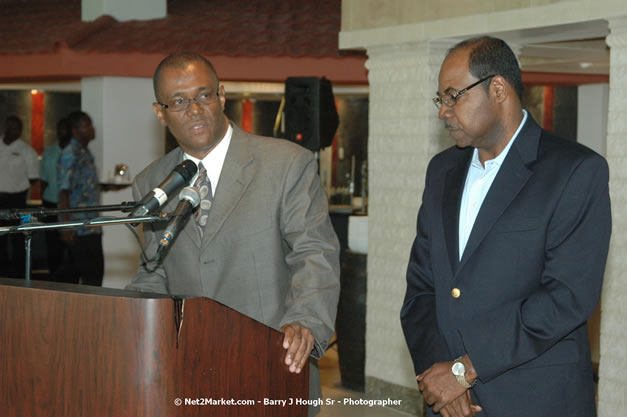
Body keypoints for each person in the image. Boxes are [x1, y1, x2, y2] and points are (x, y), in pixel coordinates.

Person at [400, 36, 611, 417]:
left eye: (453, 96)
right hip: (449, 405)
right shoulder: (442, 171)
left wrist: (464, 369)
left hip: (535, 401)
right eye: (440, 100)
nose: (443, 112)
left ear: (498, 89)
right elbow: (421, 288)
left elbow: (566, 296)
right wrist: (441, 378)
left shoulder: (574, 171)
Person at [125, 52, 340, 416]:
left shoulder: (286, 164)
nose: (194, 109)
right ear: (160, 112)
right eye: (178, 101)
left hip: (272, 365)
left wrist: (306, 321)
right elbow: (154, 270)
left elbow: (314, 252)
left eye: (204, 95)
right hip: (189, 371)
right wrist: (123, 323)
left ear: (222, 96)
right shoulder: (152, 183)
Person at [57, 111, 104, 286]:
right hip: (79, 228)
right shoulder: (70, 153)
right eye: (87, 125)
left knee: (94, 278)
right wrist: (66, 226)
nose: (92, 128)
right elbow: (64, 191)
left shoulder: (85, 152)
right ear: (75, 130)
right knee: (90, 279)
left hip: (91, 226)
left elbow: (84, 185)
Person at [0, 115, 39, 278]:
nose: (12, 129)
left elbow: (33, 177)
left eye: (16, 127)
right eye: (9, 126)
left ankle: (20, 276)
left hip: (17, 198)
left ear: (20, 129)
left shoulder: (27, 151)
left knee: (18, 237)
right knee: (0, 236)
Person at [40, 116, 74, 280]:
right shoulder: (49, 151)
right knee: (52, 244)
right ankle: (53, 277)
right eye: (59, 129)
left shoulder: (76, 152)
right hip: (50, 203)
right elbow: (43, 180)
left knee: (70, 244)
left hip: (69, 205)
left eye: (64, 128)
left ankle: (70, 280)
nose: (61, 132)